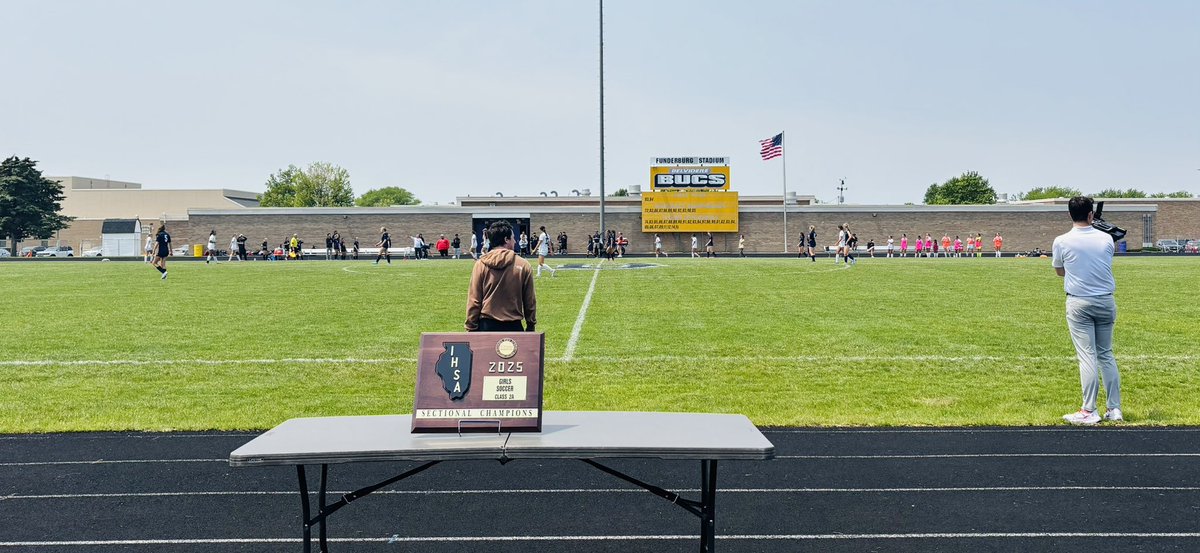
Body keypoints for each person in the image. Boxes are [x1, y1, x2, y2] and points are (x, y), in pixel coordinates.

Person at [1053, 196, 1122, 425]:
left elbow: (1060, 271)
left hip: (1079, 302)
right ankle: (1114, 408)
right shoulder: (1106, 240)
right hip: (1105, 301)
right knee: (1106, 354)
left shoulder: (1061, 241)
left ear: (1070, 215)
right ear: (1091, 214)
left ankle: (1088, 410)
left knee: (1087, 356)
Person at [465, 221, 536, 332]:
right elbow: (529, 300)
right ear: (506, 239)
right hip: (514, 326)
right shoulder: (523, 264)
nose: (515, 241)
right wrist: (531, 324)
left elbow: (474, 299)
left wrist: (471, 326)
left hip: (486, 326)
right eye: (513, 238)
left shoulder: (480, 264)